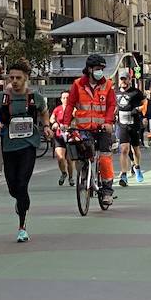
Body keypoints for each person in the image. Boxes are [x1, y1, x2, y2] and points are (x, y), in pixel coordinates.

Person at [0, 61, 48, 242]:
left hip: (29, 145)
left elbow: (44, 111)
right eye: (12, 78)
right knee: (13, 187)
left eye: (18, 78)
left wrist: (46, 126)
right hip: (8, 146)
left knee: (22, 183)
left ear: (26, 79)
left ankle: (22, 226)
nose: (14, 81)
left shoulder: (34, 97)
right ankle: (20, 200)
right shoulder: (2, 97)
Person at [62, 53, 118, 207]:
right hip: (83, 129)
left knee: (105, 158)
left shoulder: (107, 85)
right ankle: (84, 174)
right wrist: (66, 123)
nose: (101, 71)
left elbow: (112, 105)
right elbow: (70, 104)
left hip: (102, 129)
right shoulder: (78, 84)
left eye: (102, 69)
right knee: (80, 155)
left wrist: (108, 122)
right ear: (89, 69)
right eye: (98, 68)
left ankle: (107, 191)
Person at [114, 72, 145, 186]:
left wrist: (137, 109)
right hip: (122, 124)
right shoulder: (115, 92)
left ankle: (137, 167)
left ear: (129, 79)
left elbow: (144, 104)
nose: (123, 81)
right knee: (124, 149)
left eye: (125, 79)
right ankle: (123, 175)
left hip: (134, 123)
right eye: (121, 79)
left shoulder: (136, 92)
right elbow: (113, 105)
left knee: (135, 149)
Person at [50, 91, 74, 186]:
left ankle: (71, 177)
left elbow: (77, 118)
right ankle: (64, 173)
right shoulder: (57, 109)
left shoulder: (74, 109)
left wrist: (71, 125)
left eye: (67, 98)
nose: (65, 100)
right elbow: (52, 118)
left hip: (70, 136)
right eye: (63, 98)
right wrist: (54, 123)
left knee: (69, 159)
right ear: (61, 99)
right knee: (60, 158)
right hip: (59, 135)